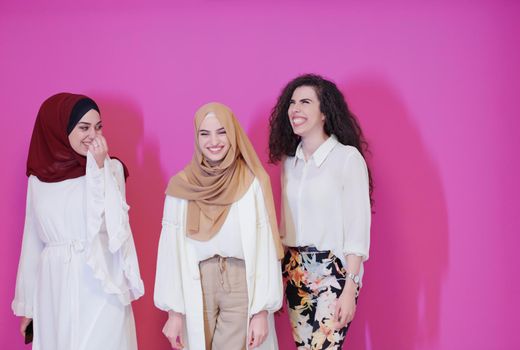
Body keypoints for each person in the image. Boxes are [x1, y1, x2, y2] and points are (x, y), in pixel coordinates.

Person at [12, 93, 144, 350]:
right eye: (83, 128)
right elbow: (32, 242)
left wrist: (98, 168)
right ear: (60, 130)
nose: (93, 136)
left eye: (98, 127)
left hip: (100, 281)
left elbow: (114, 227)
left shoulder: (111, 169)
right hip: (54, 285)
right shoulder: (39, 180)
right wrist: (27, 305)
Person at [154, 102, 283, 350]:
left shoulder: (251, 182)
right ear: (196, 137)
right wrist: (173, 312)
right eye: (205, 133)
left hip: (239, 283)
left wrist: (261, 312)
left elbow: (266, 245)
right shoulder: (182, 186)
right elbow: (170, 250)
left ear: (233, 133)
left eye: (221, 131)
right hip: (196, 283)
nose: (214, 141)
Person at [268, 74, 373, 349]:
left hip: (333, 272)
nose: (295, 109)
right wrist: (278, 276)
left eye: (305, 102)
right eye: (292, 103)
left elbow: (357, 228)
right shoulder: (289, 163)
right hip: (295, 271)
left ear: (324, 111)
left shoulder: (347, 159)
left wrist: (350, 288)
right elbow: (284, 224)